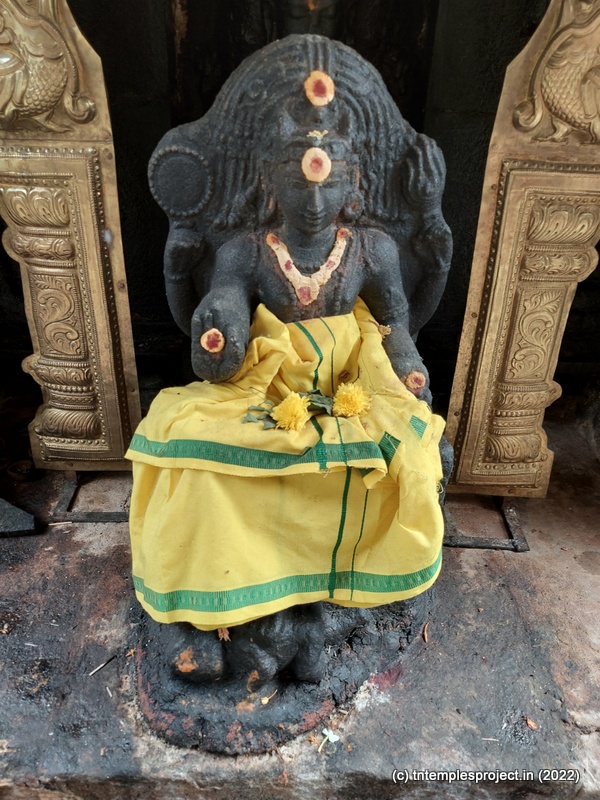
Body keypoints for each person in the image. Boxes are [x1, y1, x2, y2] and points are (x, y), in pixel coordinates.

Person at [128, 36, 452, 685]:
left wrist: (410, 364)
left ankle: (322, 599)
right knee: (185, 442)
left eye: (328, 184)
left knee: (413, 453)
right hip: (265, 381)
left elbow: (396, 324)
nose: (314, 201)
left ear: (352, 182)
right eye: (298, 181)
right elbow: (216, 321)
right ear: (270, 180)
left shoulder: (373, 249)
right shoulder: (246, 252)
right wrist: (211, 319)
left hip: (350, 380)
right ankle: (221, 594)